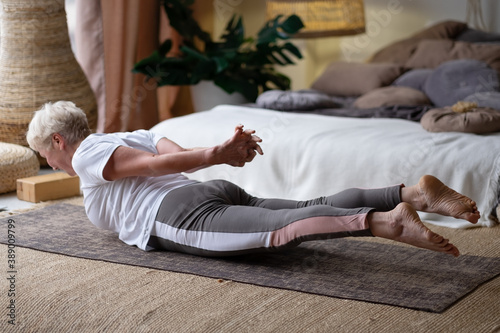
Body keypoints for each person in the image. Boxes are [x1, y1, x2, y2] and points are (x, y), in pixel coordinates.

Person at [27, 101, 480, 258]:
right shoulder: (127, 134)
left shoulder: (87, 154)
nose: (50, 165)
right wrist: (213, 158)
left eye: (46, 154)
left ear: (60, 141)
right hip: (204, 193)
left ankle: (387, 222)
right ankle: (412, 193)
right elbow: (170, 156)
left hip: (178, 213)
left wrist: (216, 154)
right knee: (304, 207)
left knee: (281, 231)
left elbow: (147, 168)